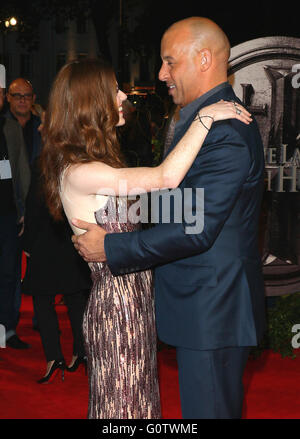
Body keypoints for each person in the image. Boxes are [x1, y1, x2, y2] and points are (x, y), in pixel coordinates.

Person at [72, 17, 266, 420]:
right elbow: (179, 202)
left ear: (205, 59)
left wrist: (110, 246)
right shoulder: (198, 120)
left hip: (215, 310)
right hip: (202, 306)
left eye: (169, 62)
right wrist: (120, 215)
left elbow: (194, 228)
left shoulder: (225, 131)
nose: (161, 75)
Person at [22, 158, 91, 383]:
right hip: (71, 238)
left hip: (44, 240)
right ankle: (81, 352)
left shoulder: (43, 163)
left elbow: (33, 206)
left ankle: (54, 358)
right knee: (75, 298)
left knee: (43, 300)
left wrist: (28, 243)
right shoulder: (80, 159)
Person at [0, 86, 31, 349]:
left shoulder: (11, 129)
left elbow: (21, 171)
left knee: (9, 273)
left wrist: (23, 212)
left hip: (8, 214)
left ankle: (8, 328)